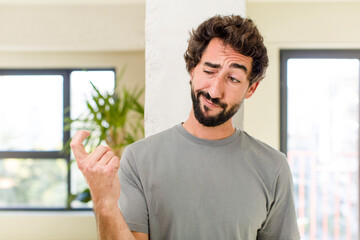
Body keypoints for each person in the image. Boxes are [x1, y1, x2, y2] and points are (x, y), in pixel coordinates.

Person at [71, 15, 300, 240]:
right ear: (192, 70)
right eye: (209, 71)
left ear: (251, 88)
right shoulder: (138, 159)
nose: (214, 91)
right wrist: (104, 204)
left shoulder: (273, 168)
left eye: (233, 79)